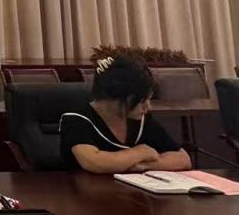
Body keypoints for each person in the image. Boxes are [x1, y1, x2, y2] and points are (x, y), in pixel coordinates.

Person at [60, 56, 191, 173]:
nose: (148, 107)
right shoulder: (77, 119)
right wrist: (140, 152)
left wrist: (145, 165)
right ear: (119, 98)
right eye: (142, 101)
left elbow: (182, 158)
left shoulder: (140, 119)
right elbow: (94, 162)